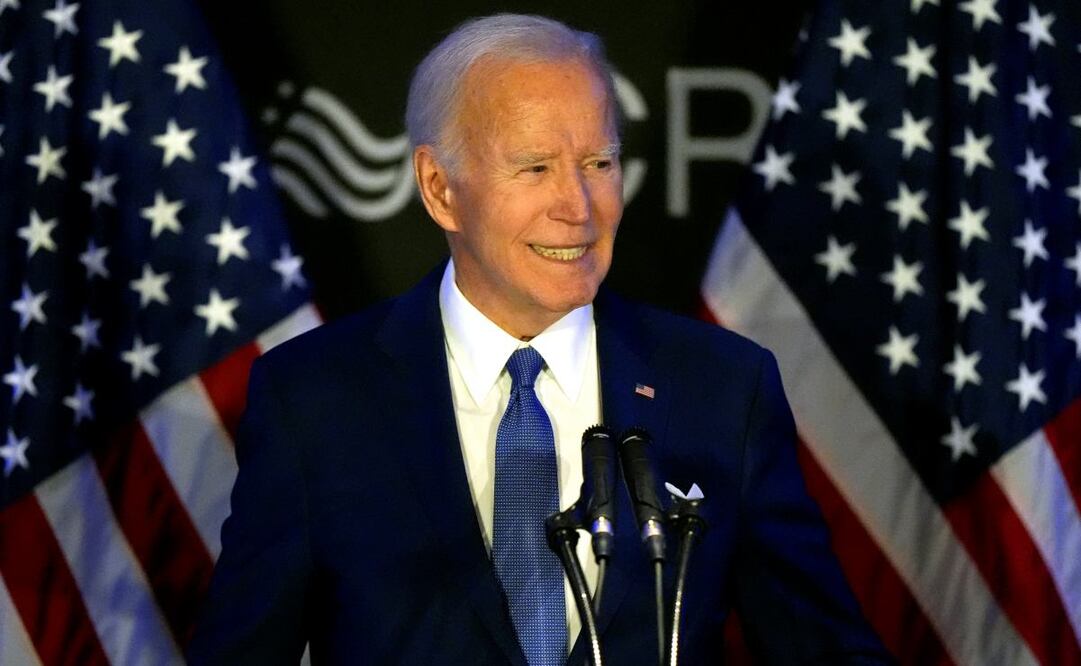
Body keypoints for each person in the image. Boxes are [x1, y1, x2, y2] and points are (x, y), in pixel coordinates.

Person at [188, 13, 893, 665]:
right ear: (439, 189)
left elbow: (823, 650)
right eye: (535, 168)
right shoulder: (314, 398)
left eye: (599, 164)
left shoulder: (721, 388)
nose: (577, 208)